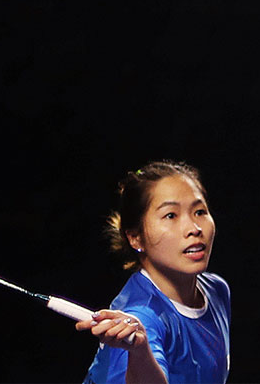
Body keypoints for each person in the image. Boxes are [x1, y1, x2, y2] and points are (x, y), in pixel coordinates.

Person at [78, 160, 231, 384]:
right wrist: (140, 351)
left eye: (199, 211)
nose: (194, 228)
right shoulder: (141, 318)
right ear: (135, 237)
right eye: (171, 215)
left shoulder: (216, 290)